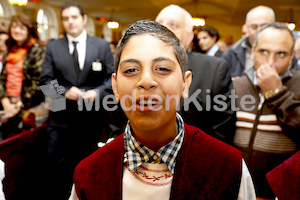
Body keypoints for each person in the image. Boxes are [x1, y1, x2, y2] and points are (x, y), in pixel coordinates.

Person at [73, 19, 256, 200]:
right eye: (130, 70)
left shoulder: (229, 166)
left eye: (162, 68)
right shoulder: (89, 173)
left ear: (185, 84)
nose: (145, 81)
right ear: (116, 87)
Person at [40, 2, 114, 199]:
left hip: (92, 119)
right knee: (57, 168)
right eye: (65, 18)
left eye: (74, 17)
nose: (70, 22)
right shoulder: (53, 46)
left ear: (84, 19)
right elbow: (45, 81)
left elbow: (115, 79)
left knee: (89, 166)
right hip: (61, 119)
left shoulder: (101, 46)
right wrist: (64, 92)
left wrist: (97, 92)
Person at [233, 22, 300, 199]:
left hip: (280, 192)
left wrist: (276, 93)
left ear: (292, 56)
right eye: (263, 51)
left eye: (280, 54)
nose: (270, 62)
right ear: (253, 50)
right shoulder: (235, 85)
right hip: (237, 189)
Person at [155, 4, 235, 144]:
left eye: (173, 24)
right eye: (159, 24)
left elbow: (221, 130)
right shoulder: (133, 67)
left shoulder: (214, 69)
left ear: (189, 36)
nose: (164, 29)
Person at [0, 14, 45, 138]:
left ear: (29, 30)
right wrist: (5, 103)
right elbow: (2, 78)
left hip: (27, 104)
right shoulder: (9, 50)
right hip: (7, 103)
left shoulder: (36, 50)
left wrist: (18, 105)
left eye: (21, 27)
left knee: (23, 144)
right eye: (14, 26)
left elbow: (38, 82)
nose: (17, 30)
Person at [222, 5, 275, 77]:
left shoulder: (285, 52)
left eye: (264, 26)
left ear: (274, 26)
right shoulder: (231, 53)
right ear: (247, 28)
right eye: (254, 27)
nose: (259, 30)